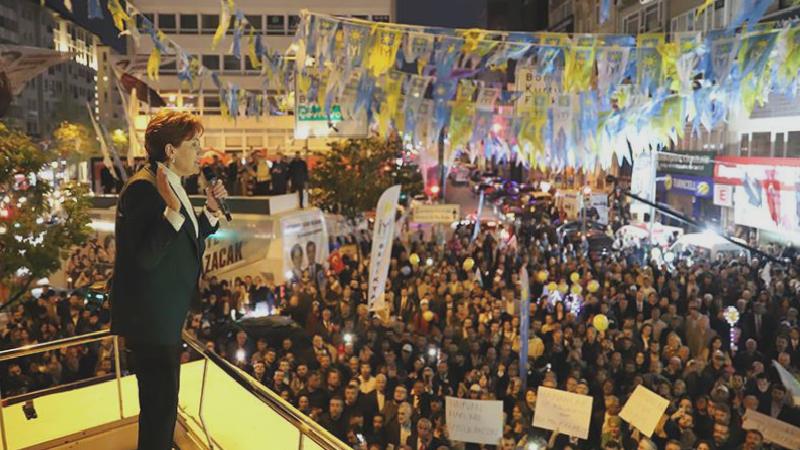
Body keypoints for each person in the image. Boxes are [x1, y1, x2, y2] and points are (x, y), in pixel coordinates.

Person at [110, 111, 228, 450]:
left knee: (163, 409)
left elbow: (183, 240)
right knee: (159, 411)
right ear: (171, 150)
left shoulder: (172, 183)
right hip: (151, 324)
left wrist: (210, 212)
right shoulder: (145, 189)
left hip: (166, 318)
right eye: (193, 144)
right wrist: (174, 209)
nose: (200, 151)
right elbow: (145, 258)